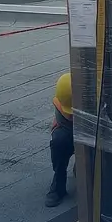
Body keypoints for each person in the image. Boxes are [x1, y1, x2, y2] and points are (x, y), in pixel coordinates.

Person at [45, 72, 74, 207]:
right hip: (68, 129)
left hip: (92, 121)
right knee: (59, 140)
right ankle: (58, 185)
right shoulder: (64, 88)